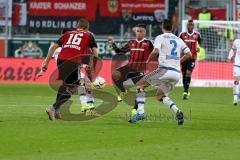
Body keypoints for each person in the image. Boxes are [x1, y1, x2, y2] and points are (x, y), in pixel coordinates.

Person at [129, 19, 192, 125]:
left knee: (140, 84)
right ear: (172, 28)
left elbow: (156, 51)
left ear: (163, 27)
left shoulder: (160, 37)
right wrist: (178, 62)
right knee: (159, 96)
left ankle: (140, 113)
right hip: (176, 74)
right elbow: (189, 54)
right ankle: (178, 112)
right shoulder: (179, 39)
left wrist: (148, 60)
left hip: (164, 70)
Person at [41, 18, 98, 120]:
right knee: (73, 88)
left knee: (64, 84)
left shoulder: (67, 33)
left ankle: (57, 110)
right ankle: (53, 107)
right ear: (87, 28)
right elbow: (95, 51)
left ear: (77, 26)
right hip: (73, 61)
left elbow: (53, 47)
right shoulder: (89, 35)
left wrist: (46, 62)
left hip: (61, 60)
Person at [108, 24, 153, 102]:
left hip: (140, 70)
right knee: (115, 74)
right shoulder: (131, 42)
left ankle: (136, 108)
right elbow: (120, 52)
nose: (138, 33)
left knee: (138, 88)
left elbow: (156, 54)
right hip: (129, 67)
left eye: (141, 31)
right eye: (137, 31)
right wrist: (113, 44)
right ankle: (123, 92)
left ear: (144, 33)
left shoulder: (148, 43)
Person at [179, 20, 201, 99]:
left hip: (192, 58)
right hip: (184, 57)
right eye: (189, 25)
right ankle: (186, 90)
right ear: (187, 26)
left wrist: (198, 49)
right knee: (184, 74)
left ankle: (185, 91)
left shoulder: (197, 35)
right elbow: (179, 45)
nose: (190, 26)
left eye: (191, 25)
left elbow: (199, 45)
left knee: (188, 73)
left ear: (194, 26)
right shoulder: (182, 35)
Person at [227, 38, 240, 105]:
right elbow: (232, 50)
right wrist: (229, 58)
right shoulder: (236, 41)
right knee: (236, 80)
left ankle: (238, 95)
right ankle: (235, 98)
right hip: (237, 63)